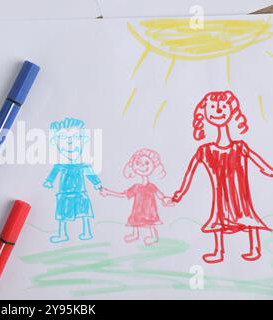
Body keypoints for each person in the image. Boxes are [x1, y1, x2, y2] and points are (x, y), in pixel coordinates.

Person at [173, 91, 273, 263]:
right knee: (219, 217)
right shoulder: (204, 150)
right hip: (221, 197)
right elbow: (190, 173)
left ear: (232, 110)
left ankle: (254, 248)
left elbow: (262, 164)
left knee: (247, 215)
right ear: (204, 112)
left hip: (241, 195)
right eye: (212, 107)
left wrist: (269, 171)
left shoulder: (240, 147)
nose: (218, 110)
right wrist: (180, 193)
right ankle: (219, 251)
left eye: (223, 106)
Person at [43, 118, 102, 243]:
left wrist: (97, 183)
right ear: (56, 142)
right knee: (62, 215)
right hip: (64, 194)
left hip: (80, 193)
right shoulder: (60, 165)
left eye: (75, 138)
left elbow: (90, 175)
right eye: (64, 139)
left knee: (84, 213)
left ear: (82, 140)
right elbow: (52, 175)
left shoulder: (83, 165)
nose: (70, 143)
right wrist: (49, 181)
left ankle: (87, 232)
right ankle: (63, 234)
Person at [101, 149, 173, 245]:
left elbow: (161, 196)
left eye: (147, 163)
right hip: (138, 210)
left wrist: (167, 200)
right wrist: (109, 192)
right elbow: (124, 195)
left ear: (154, 166)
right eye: (138, 163)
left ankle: (154, 236)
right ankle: (135, 235)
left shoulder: (151, 186)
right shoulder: (136, 187)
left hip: (149, 211)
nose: (142, 166)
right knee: (135, 220)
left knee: (150, 223)